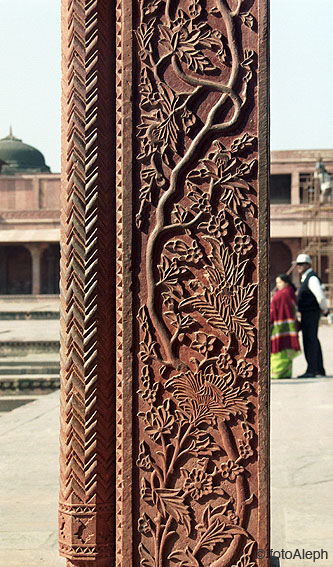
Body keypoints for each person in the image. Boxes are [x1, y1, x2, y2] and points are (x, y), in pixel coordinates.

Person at [296, 253, 329, 378]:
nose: (299, 266)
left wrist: (325, 310)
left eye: (301, 264)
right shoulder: (306, 277)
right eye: (298, 264)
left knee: (310, 341)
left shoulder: (312, 278)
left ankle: (312, 370)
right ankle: (318, 369)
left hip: (311, 313)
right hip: (308, 313)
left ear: (308, 264)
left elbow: (320, 297)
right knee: (313, 340)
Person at [270, 274, 300, 379]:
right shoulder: (290, 292)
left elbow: (273, 310)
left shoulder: (282, 294)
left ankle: (278, 373)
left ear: (286, 282)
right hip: (289, 326)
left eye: (280, 282)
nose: (278, 285)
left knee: (279, 348)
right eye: (277, 282)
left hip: (280, 326)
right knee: (286, 348)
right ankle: (286, 372)